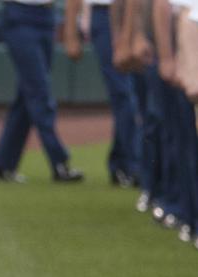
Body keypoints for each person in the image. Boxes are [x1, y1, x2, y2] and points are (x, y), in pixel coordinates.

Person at [0, 0, 84, 183]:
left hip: (46, 16)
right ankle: (59, 161)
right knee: (39, 92)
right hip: (19, 14)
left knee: (27, 95)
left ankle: (2, 163)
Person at [63, 0, 141, 187]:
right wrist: (71, 33)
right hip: (104, 14)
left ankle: (122, 163)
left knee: (133, 97)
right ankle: (130, 165)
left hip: (136, 12)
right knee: (123, 94)